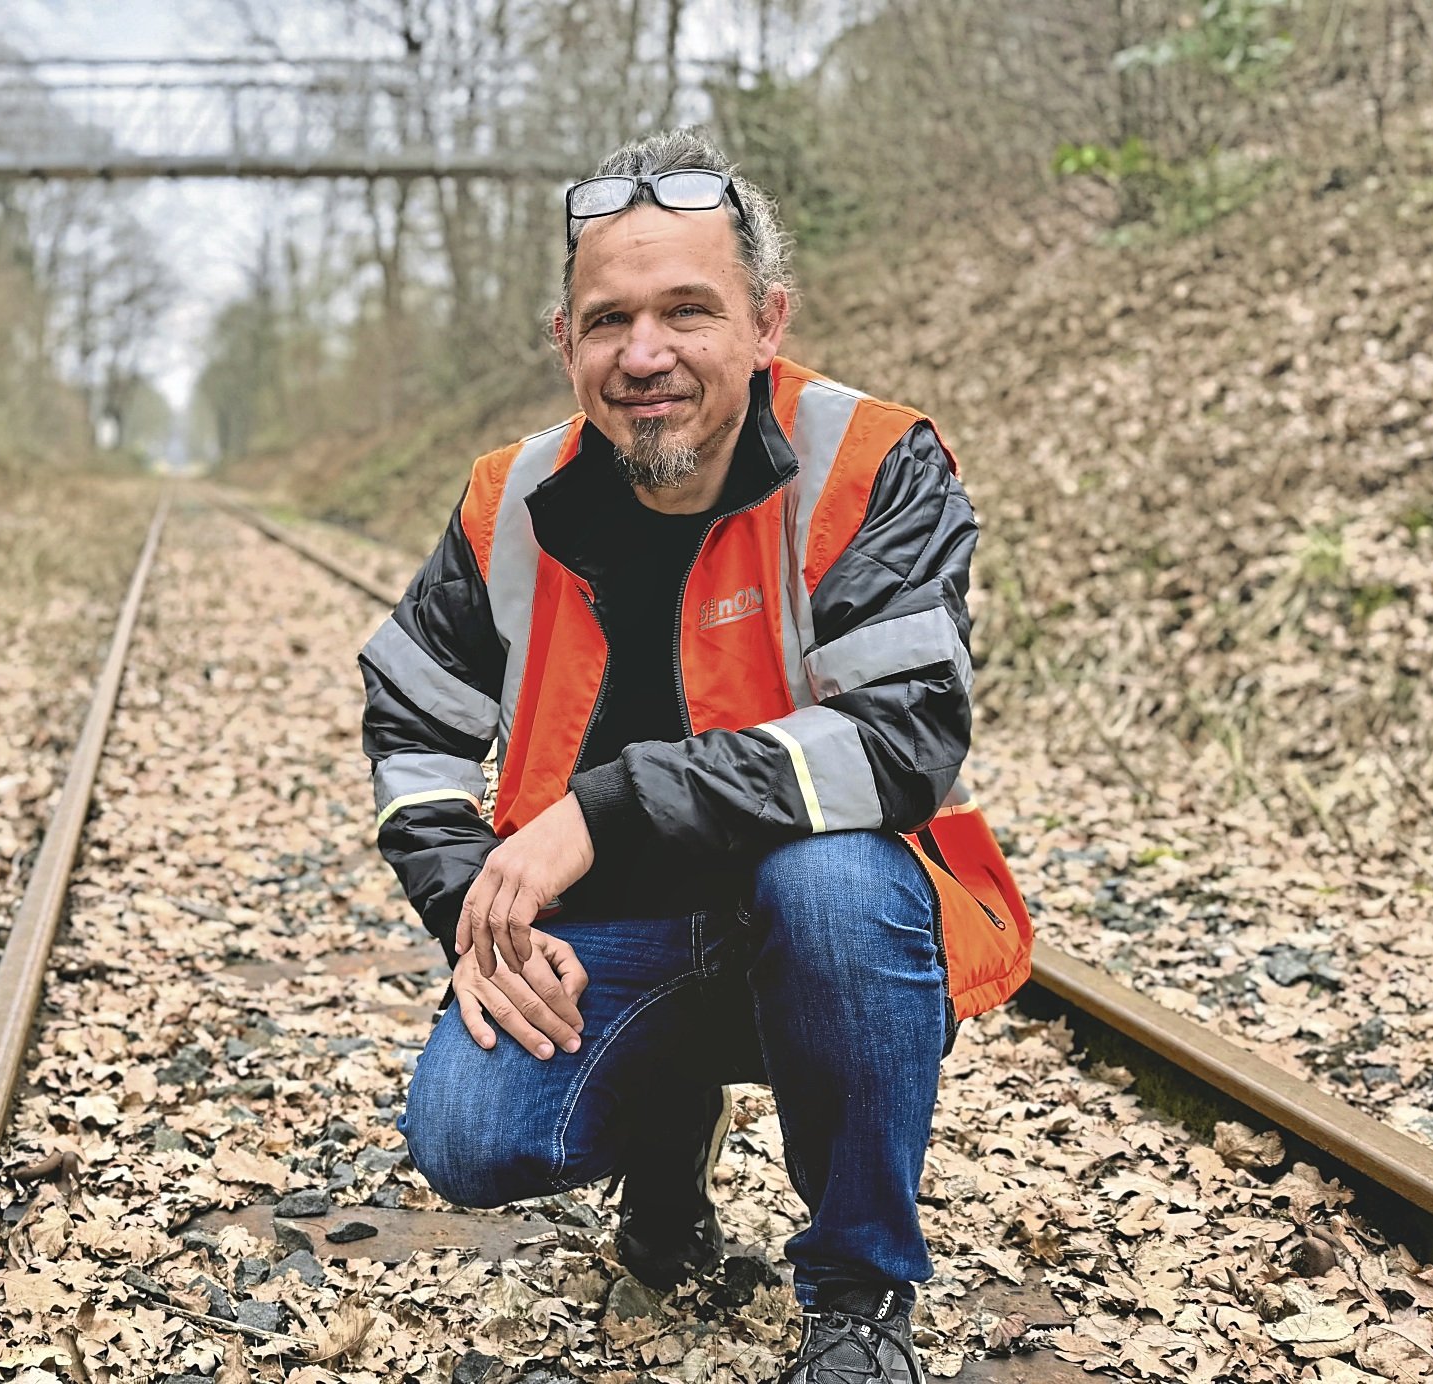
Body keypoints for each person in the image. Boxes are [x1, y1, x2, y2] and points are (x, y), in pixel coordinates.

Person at [358, 127, 1036, 1384]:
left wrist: (603, 809)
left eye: (688, 309)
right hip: (610, 932)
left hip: (829, 917)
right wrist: (479, 909)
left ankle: (857, 1293)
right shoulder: (508, 499)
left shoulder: (869, 461)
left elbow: (903, 740)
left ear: (766, 322)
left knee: (827, 888)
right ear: (565, 345)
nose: (645, 353)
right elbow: (412, 722)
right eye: (608, 320)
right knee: (462, 1134)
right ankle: (666, 1152)